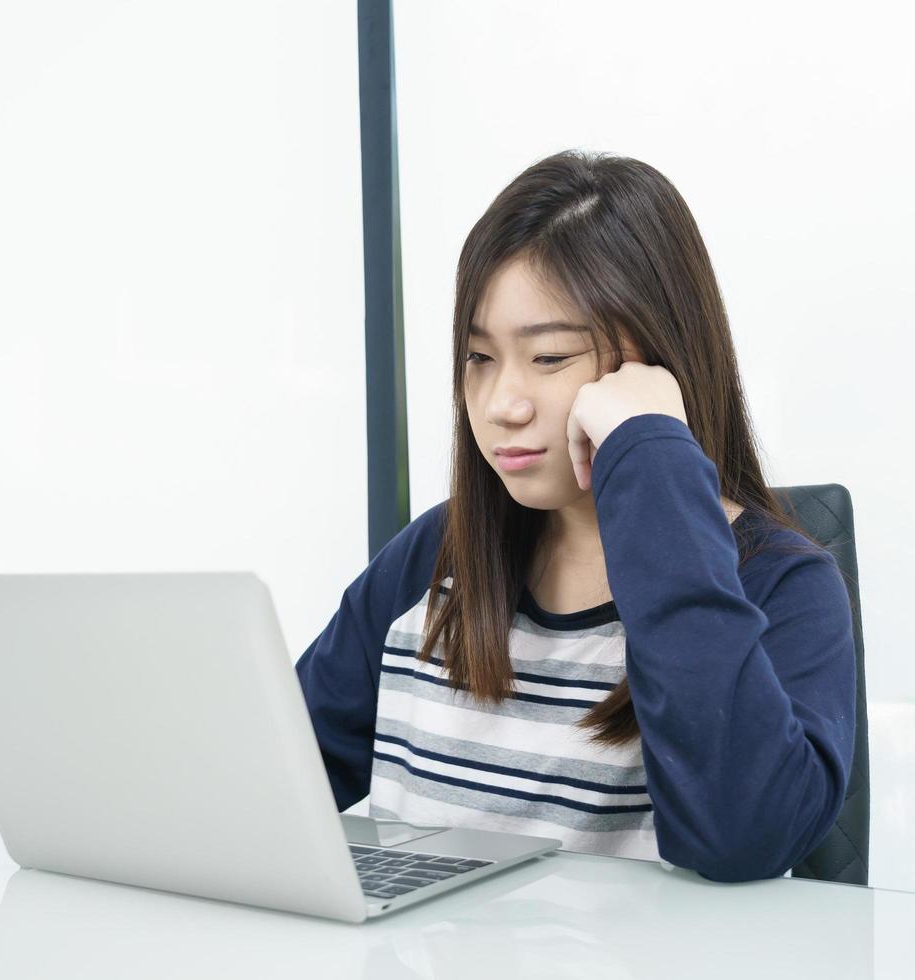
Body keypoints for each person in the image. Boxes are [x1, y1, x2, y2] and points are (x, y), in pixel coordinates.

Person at [294, 149, 856, 882]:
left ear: (655, 369)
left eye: (551, 357)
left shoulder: (784, 585)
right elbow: (271, 787)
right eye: (479, 358)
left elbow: (740, 836)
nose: (502, 405)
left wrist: (652, 456)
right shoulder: (437, 551)